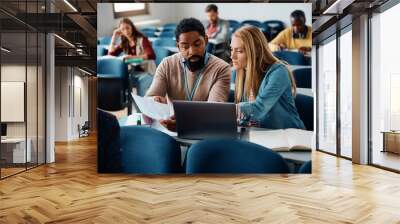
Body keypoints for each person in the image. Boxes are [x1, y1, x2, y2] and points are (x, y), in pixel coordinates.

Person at [146, 18, 231, 131]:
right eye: (185, 47)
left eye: (197, 44)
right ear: (178, 47)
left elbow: (213, 111)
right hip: (171, 126)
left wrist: (184, 123)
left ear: (205, 40)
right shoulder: (167, 64)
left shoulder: (222, 68)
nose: (192, 51)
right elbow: (150, 98)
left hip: (204, 129)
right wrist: (155, 101)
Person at [231, 25, 305, 129]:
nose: (232, 56)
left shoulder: (278, 72)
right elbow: (246, 117)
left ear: (256, 51)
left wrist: (227, 111)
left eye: (239, 51)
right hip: (262, 133)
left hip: (288, 135)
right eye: (231, 49)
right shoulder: (241, 72)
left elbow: (259, 108)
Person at [108, 18, 156, 96]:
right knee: (122, 80)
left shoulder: (142, 39)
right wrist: (114, 37)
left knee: (140, 82)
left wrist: (132, 58)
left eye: (127, 28)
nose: (126, 31)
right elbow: (110, 55)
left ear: (132, 27)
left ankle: (141, 106)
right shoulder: (124, 42)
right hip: (135, 72)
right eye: (123, 29)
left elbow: (151, 55)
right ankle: (129, 105)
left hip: (148, 71)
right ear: (121, 31)